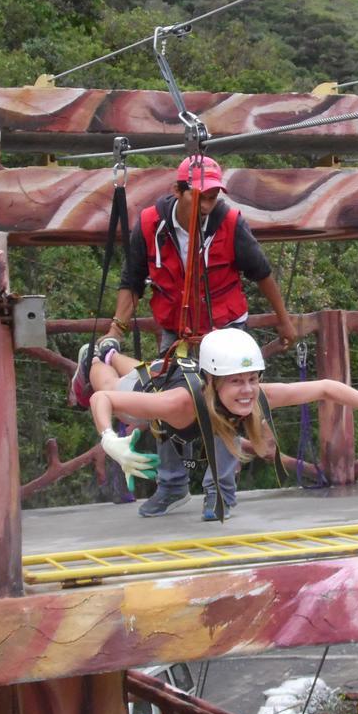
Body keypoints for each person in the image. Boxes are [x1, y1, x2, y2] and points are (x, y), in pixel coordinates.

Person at [73, 155, 298, 518]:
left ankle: (220, 492)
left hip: (225, 329)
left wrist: (284, 322)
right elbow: (132, 282)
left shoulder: (228, 222)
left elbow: (263, 273)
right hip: (177, 331)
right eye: (201, 197)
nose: (208, 204)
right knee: (165, 401)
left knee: (224, 409)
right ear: (179, 192)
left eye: (213, 196)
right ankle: (172, 484)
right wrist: (116, 328)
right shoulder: (149, 226)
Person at [87, 328, 358, 521]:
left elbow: (325, 387)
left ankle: (112, 353)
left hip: (170, 377)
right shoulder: (180, 403)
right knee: (109, 380)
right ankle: (98, 356)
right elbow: (102, 399)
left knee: (148, 368)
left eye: (253, 379)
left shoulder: (254, 397)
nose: (247, 390)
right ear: (213, 383)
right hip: (151, 392)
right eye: (237, 381)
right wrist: (109, 438)